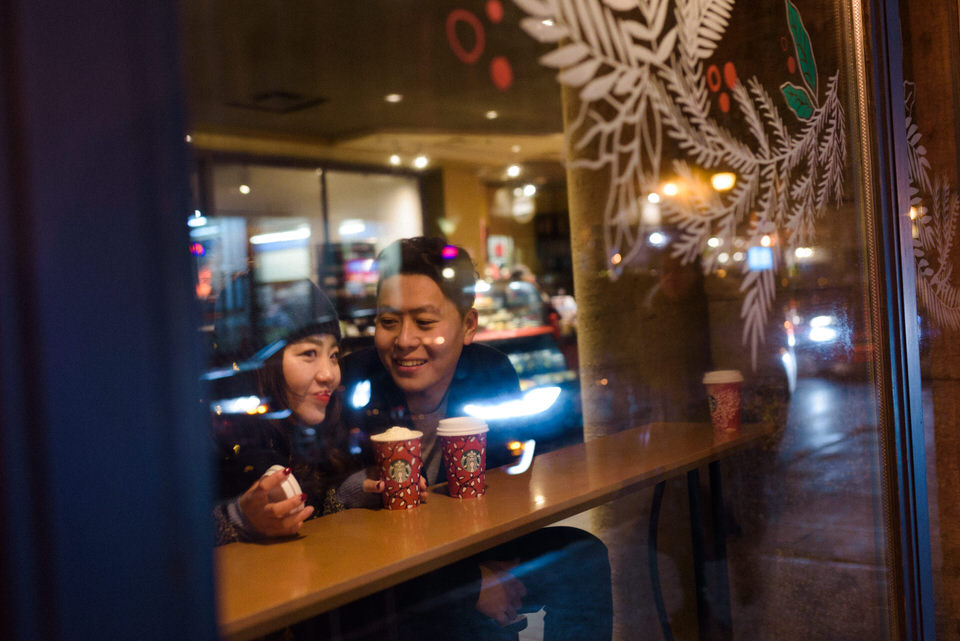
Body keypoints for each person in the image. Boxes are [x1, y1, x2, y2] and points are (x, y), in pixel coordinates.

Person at [342, 237, 613, 641]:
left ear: (468, 325)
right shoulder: (354, 382)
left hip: (471, 547)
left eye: (425, 322)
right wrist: (468, 584)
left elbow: (508, 487)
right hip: (381, 573)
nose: (403, 340)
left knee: (582, 556)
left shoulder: (491, 372)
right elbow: (349, 533)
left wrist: (485, 572)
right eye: (388, 321)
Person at [211, 280, 383, 545]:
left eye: (334, 355)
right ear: (259, 362)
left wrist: (349, 493)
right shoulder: (209, 442)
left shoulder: (314, 434)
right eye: (309, 353)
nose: (329, 374)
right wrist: (239, 519)